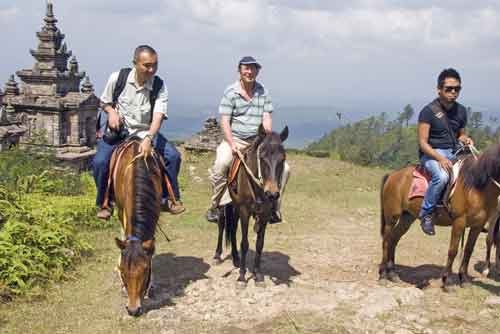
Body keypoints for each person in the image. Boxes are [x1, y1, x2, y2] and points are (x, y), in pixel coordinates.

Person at [93, 45, 185, 219]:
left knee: (173, 157)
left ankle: (168, 198)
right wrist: (111, 112)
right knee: (99, 162)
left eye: (155, 65)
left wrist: (149, 138)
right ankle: (105, 202)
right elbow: (103, 102)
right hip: (120, 132)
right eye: (147, 65)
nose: (151, 70)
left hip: (146, 131)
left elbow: (158, 116)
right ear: (135, 63)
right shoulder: (118, 78)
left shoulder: (159, 85)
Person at [206, 56, 290, 223]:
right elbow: (224, 121)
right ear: (239, 70)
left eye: (253, 68)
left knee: (285, 169)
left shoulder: (263, 91)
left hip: (258, 140)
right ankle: (217, 205)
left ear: (257, 71)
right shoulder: (231, 92)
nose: (249, 72)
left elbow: (266, 117)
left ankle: (274, 208)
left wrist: (267, 137)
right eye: (246, 68)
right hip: (235, 139)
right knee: (221, 164)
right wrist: (231, 144)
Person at [417, 68, 473, 235]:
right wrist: (439, 158)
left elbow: (460, 133)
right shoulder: (428, 111)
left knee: (478, 171)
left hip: (455, 152)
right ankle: (426, 214)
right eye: (449, 88)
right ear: (439, 89)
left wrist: (465, 138)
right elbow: (422, 143)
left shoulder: (461, 110)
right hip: (431, 153)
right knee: (441, 177)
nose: (453, 92)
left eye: (457, 89)